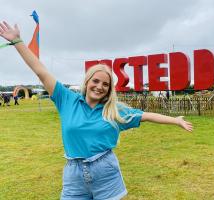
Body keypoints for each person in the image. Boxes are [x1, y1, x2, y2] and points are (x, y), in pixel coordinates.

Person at [0, 21, 193, 200]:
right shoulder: (66, 99)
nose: (100, 86)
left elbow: (146, 115)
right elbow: (41, 72)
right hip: (74, 175)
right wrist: (17, 41)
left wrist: (175, 120)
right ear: (87, 81)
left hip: (106, 172)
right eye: (96, 81)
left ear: (110, 89)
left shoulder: (113, 111)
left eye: (106, 84)